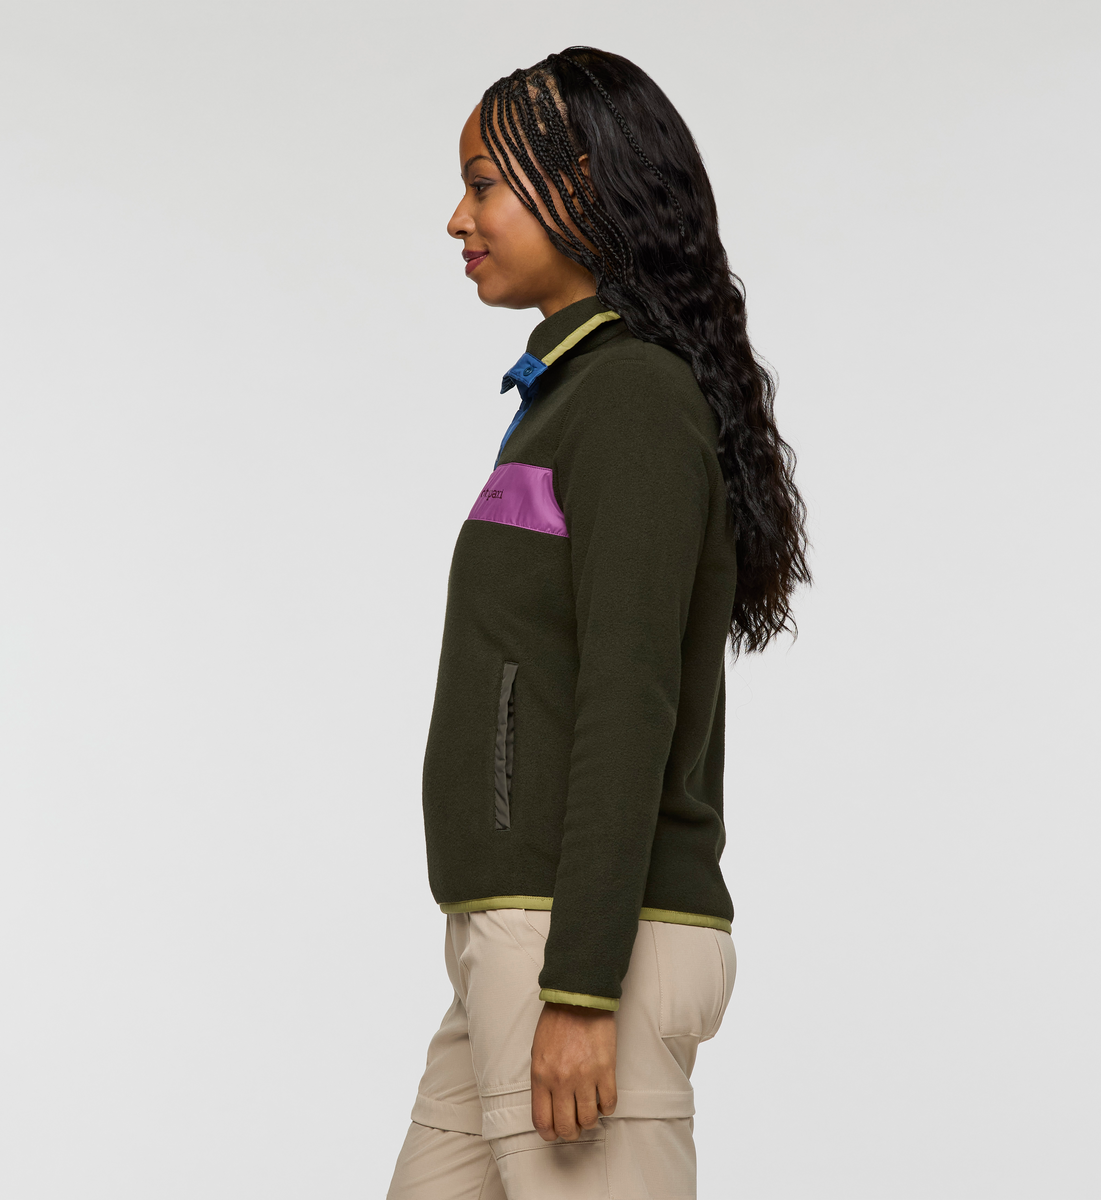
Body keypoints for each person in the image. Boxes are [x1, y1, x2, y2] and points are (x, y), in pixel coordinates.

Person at [386, 46, 810, 1200]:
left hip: (580, 946)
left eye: (483, 185)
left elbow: (629, 697)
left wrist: (581, 989)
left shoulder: (630, 398)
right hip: (515, 939)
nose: (457, 218)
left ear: (582, 185)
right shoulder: (568, 397)